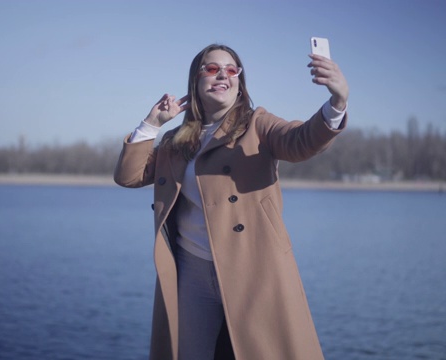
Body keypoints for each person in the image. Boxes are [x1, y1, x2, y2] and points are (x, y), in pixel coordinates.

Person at [114, 43, 348, 360]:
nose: (223, 74)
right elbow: (129, 176)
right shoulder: (176, 141)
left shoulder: (257, 124)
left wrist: (337, 101)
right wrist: (152, 123)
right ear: (195, 82)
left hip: (254, 269)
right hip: (192, 271)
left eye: (231, 69)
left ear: (240, 82)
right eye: (212, 69)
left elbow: (300, 141)